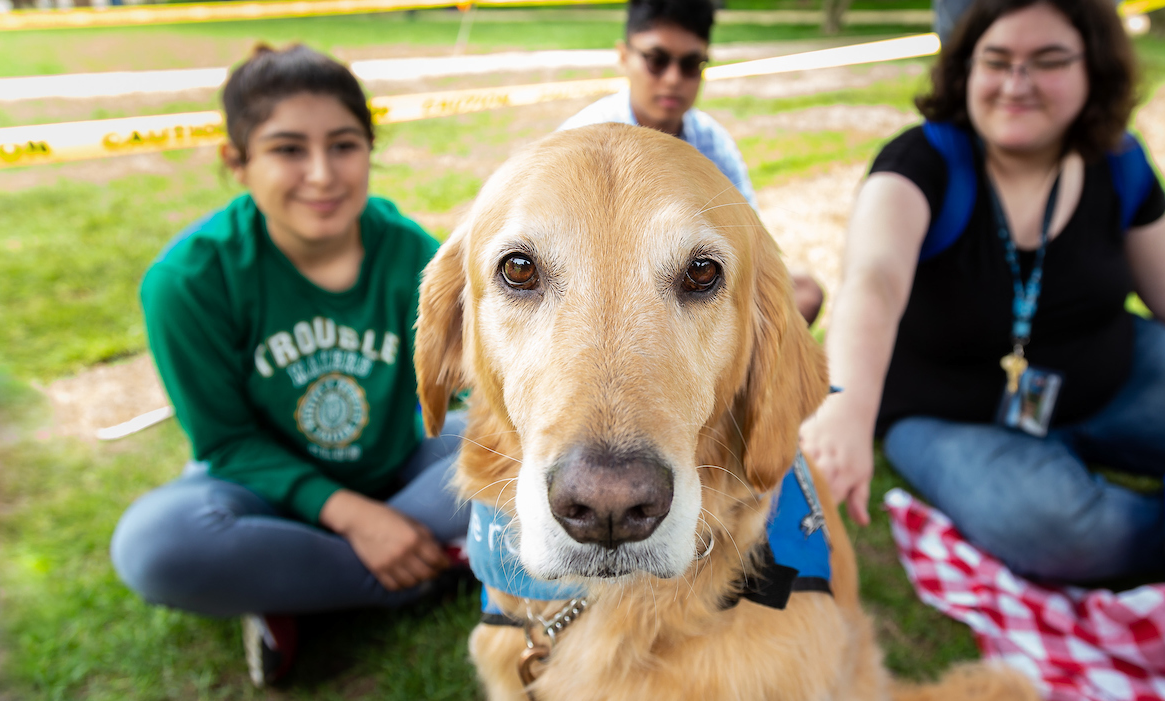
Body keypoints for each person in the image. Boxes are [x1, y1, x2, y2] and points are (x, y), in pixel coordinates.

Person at [800, 0, 1165, 584]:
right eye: (998, 60)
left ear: (1095, 68)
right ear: (966, 70)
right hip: (950, 417)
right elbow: (873, 282)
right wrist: (847, 410)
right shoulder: (923, 162)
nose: (1017, 84)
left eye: (1048, 60)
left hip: (1116, 377)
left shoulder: (1120, 161)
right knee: (1064, 534)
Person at [109, 44, 470, 687]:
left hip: (397, 469)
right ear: (237, 161)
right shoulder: (188, 280)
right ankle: (425, 573)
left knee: (515, 444)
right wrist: (357, 520)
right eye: (287, 149)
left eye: (343, 145)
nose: (323, 174)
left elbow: (457, 391)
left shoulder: (411, 253)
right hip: (265, 492)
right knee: (154, 546)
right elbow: (227, 442)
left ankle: (297, 593)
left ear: (369, 148)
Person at [558, 0, 825, 325]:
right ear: (624, 56)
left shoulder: (712, 144)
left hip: (692, 302)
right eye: (657, 61)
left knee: (804, 295)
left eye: (690, 64)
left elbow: (751, 249)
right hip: (597, 308)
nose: (673, 79)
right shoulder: (577, 143)